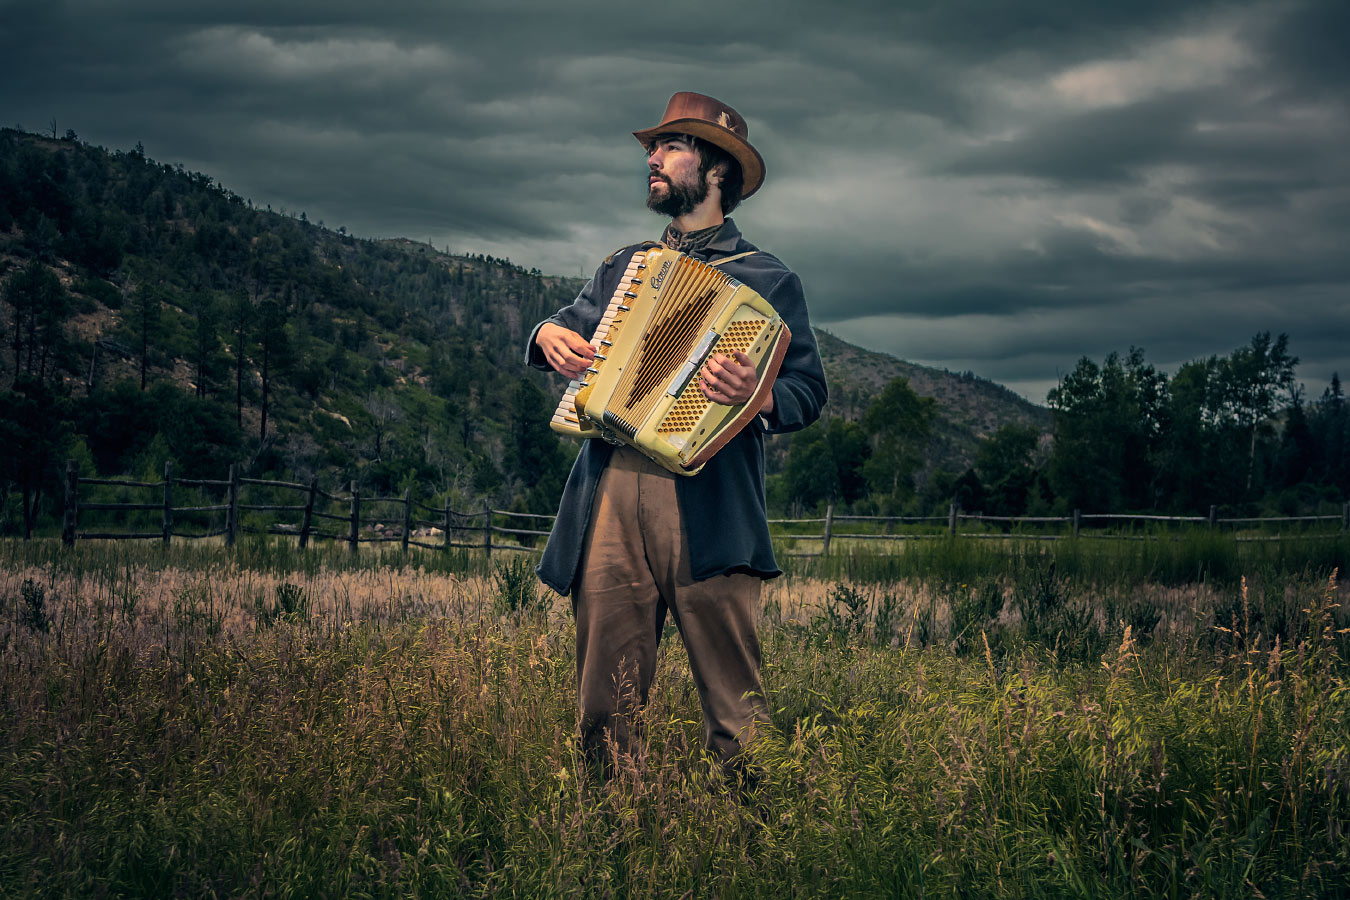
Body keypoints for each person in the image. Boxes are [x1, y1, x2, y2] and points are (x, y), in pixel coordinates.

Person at [525, 91, 827, 780]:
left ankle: (757, 842)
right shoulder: (623, 268)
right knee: (604, 700)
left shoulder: (768, 279)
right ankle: (611, 838)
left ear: (716, 169)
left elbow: (808, 393)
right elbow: (563, 324)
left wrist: (757, 397)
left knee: (736, 706)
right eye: (651, 149)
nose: (651, 159)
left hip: (709, 500)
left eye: (669, 147)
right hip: (610, 488)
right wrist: (546, 335)